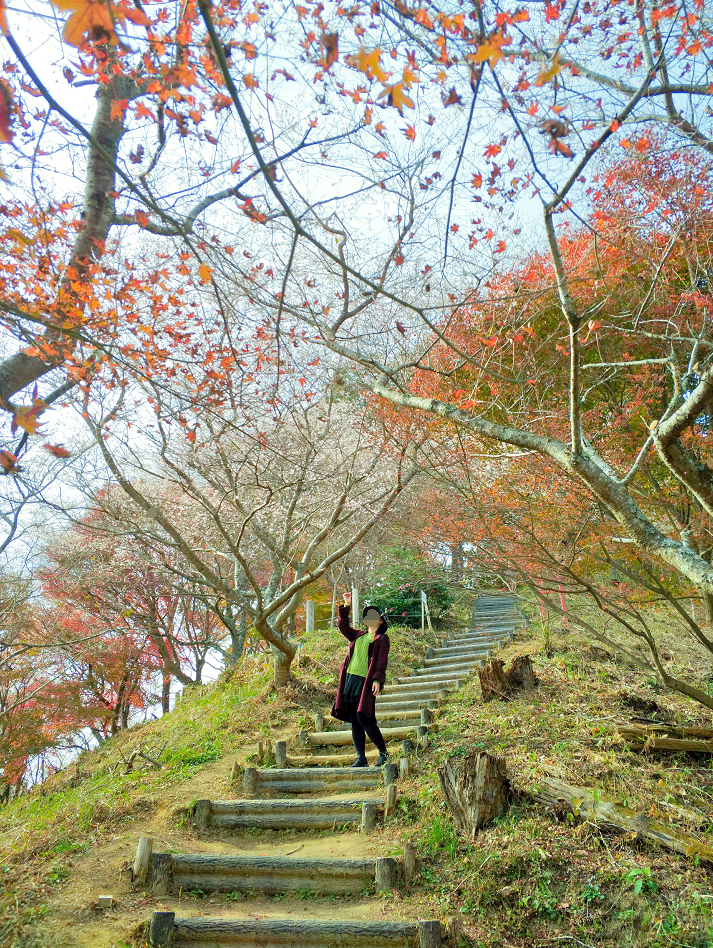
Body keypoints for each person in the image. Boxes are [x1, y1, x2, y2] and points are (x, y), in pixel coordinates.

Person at [330, 591, 390, 767]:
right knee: (354, 718)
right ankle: (361, 758)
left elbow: (381, 662)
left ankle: (383, 753)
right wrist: (346, 605)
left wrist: (377, 680)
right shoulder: (358, 636)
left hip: (366, 682)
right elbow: (342, 627)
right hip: (350, 679)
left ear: (380, 620)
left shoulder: (382, 639)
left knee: (363, 716)